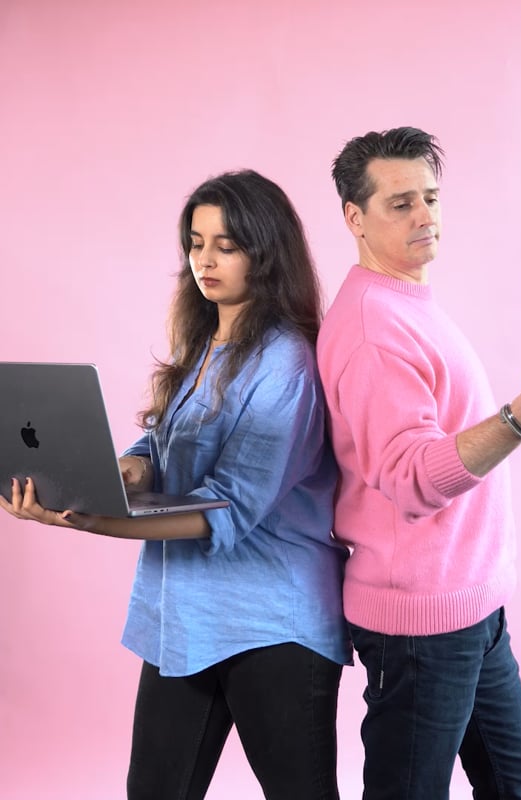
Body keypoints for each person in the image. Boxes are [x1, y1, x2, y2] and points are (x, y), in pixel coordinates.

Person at [1, 169, 352, 800]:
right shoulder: (207, 342)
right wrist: (119, 470)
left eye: (227, 244)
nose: (205, 260)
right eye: (195, 242)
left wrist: (88, 515)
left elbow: (224, 510)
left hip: (271, 623)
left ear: (266, 252)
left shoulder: (288, 363)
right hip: (184, 617)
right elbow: (162, 441)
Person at [316, 127, 521, 800]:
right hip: (420, 624)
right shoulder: (370, 329)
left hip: (472, 609)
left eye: (431, 199)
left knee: (516, 779)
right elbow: (413, 478)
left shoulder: (406, 303)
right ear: (354, 218)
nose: (425, 217)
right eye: (400, 203)